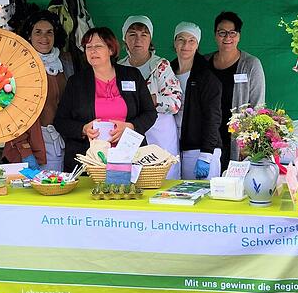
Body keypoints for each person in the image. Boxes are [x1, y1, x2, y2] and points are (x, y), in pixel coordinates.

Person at [55, 27, 157, 172]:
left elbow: (150, 113)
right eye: (88, 47)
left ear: (111, 50)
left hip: (130, 157)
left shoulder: (132, 75)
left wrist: (130, 127)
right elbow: (60, 121)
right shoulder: (76, 82)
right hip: (89, 162)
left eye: (98, 46)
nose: (92, 51)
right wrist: (83, 129)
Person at [3, 11, 70, 171]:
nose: (44, 38)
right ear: (29, 36)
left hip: (60, 141)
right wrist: (24, 149)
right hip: (32, 144)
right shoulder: (18, 66)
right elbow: (12, 113)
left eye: (49, 32)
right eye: (38, 32)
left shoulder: (65, 63)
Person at [118, 15, 183, 179]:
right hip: (130, 133)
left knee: (163, 178)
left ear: (150, 39)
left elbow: (175, 103)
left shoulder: (161, 66)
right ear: (125, 38)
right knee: (134, 179)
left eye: (144, 34)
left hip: (160, 133)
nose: (138, 40)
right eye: (132, 34)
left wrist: (152, 100)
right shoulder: (119, 68)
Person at [205, 11, 265, 171]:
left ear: (239, 35)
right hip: (209, 134)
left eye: (232, 33)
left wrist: (247, 141)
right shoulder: (204, 63)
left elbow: (257, 106)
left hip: (236, 137)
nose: (227, 38)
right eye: (222, 33)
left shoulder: (251, 64)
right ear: (215, 35)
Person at [170, 22, 223, 180]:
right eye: (181, 39)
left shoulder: (206, 76)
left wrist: (206, 155)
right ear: (174, 42)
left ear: (197, 44)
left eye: (191, 40)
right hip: (174, 148)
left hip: (199, 149)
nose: (186, 45)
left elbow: (213, 117)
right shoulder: (166, 71)